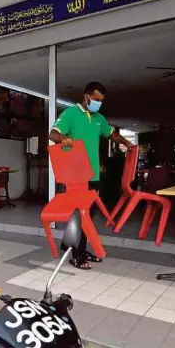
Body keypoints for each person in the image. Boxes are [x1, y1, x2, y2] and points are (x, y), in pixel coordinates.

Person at [49, 81, 133, 270]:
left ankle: (81, 249)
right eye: (96, 99)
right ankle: (75, 255)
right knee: (79, 216)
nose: (98, 103)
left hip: (93, 176)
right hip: (75, 177)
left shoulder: (99, 119)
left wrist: (127, 143)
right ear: (86, 96)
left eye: (101, 101)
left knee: (89, 216)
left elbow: (111, 134)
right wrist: (65, 139)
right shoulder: (70, 114)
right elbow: (53, 134)